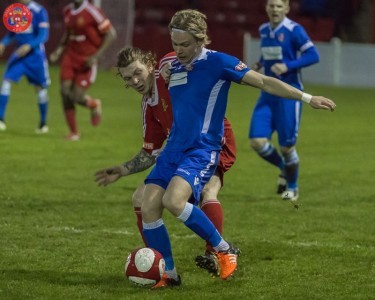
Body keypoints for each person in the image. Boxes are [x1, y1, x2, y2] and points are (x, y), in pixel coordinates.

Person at [127, 9, 335, 288]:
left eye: (185, 44)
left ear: (201, 40)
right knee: (149, 205)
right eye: (175, 44)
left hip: (201, 149)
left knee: (174, 201)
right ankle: (169, 274)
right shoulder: (173, 66)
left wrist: (308, 98)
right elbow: (161, 85)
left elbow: (264, 81)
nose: (179, 50)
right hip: (174, 147)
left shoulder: (219, 63)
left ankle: (224, 249)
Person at [94, 46, 238, 263]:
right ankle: (158, 262)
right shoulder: (149, 105)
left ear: (150, 66)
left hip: (211, 140)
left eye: (137, 73)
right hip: (181, 150)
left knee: (208, 191)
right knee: (140, 198)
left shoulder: (167, 76)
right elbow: (149, 152)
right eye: (127, 78)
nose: (134, 81)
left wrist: (170, 65)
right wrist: (123, 170)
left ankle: (217, 253)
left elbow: (177, 58)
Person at [249, 0, 320, 203]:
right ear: (266, 8)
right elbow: (268, 53)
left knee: (287, 147)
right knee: (257, 141)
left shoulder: (294, 30)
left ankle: (292, 187)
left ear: (287, 9)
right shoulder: (264, 29)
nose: (275, 9)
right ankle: (283, 168)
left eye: (279, 6)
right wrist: (259, 63)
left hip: (289, 96)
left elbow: (313, 55)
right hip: (268, 95)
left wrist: (288, 66)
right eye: (272, 5)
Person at [49, 0, 117, 141]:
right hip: (70, 56)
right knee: (64, 92)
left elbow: (111, 34)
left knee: (76, 96)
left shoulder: (92, 11)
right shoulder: (67, 10)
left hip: (87, 59)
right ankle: (74, 133)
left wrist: (96, 56)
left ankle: (94, 104)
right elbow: (68, 33)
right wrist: (59, 50)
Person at [0, 0, 50, 133]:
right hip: (19, 55)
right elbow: (12, 33)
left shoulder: (39, 11)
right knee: (6, 80)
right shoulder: (17, 10)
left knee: (40, 88)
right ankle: (1, 119)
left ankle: (43, 123)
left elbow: (43, 35)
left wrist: (29, 45)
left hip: (36, 56)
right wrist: (3, 43)